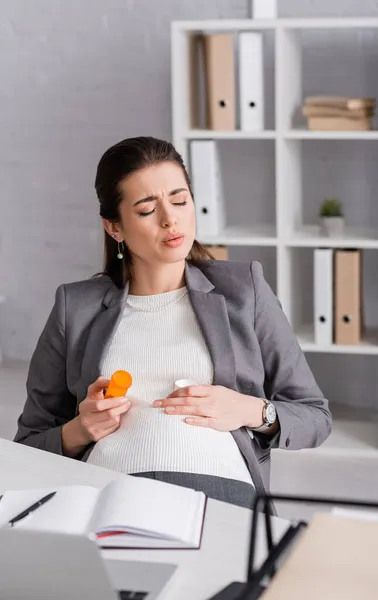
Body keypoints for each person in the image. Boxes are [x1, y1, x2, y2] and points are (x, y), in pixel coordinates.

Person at [14, 136, 332, 509]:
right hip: (111, 491)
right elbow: (30, 444)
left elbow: (314, 416)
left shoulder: (246, 290)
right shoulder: (75, 306)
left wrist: (249, 410)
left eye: (180, 200)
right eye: (147, 210)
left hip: (221, 491)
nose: (171, 218)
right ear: (114, 228)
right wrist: (79, 430)